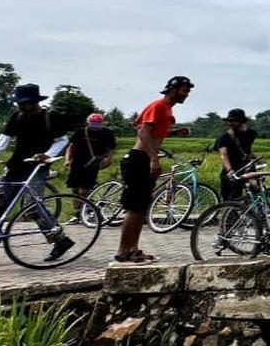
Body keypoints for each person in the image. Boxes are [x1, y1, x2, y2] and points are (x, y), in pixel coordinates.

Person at [0, 84, 75, 262]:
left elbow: (62, 141)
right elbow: (0, 144)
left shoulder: (51, 117)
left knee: (33, 208)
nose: (21, 106)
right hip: (15, 167)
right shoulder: (17, 117)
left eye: (25, 103)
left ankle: (60, 240)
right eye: (19, 103)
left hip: (37, 167)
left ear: (34, 102)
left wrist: (48, 155)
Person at [116, 76, 193, 264]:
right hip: (139, 159)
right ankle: (123, 251)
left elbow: (155, 133)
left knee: (142, 207)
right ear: (173, 90)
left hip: (145, 159)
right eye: (184, 91)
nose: (186, 95)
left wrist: (174, 133)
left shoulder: (167, 110)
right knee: (135, 208)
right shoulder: (158, 105)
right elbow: (143, 132)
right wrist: (154, 158)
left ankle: (133, 249)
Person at [63, 112, 117, 213]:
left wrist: (108, 159)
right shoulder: (80, 132)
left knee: (84, 190)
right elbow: (71, 147)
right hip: (77, 161)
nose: (94, 128)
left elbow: (111, 148)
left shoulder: (107, 133)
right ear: (87, 123)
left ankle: (87, 210)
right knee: (75, 189)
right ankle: (77, 212)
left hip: (94, 161)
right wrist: (67, 160)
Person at [214, 109, 257, 202]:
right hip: (231, 169)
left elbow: (247, 151)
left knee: (255, 192)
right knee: (230, 198)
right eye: (229, 121)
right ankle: (230, 215)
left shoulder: (251, 134)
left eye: (232, 121)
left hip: (246, 168)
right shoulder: (225, 137)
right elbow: (224, 155)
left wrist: (257, 159)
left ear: (241, 121)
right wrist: (230, 170)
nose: (229, 123)